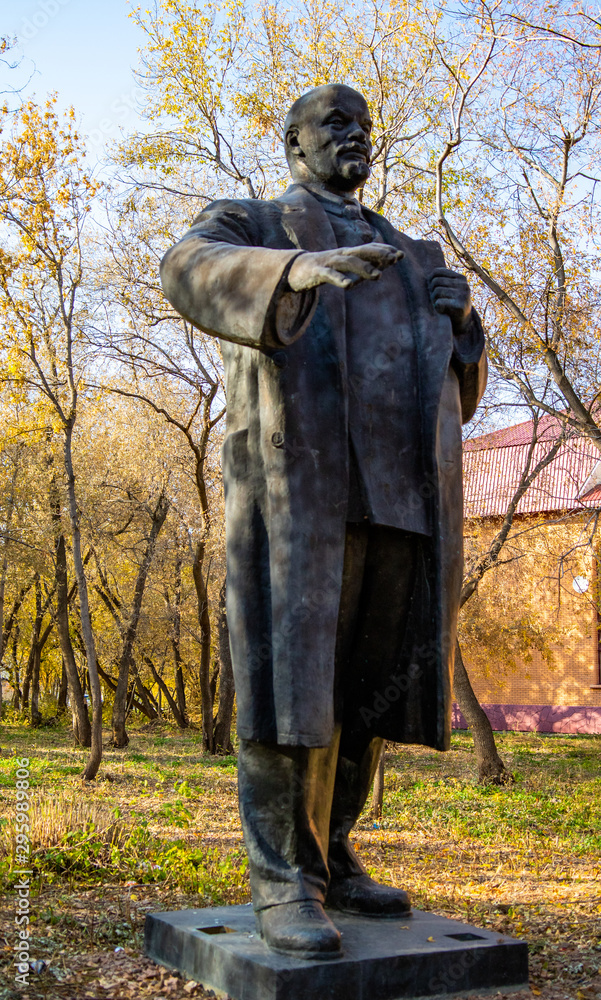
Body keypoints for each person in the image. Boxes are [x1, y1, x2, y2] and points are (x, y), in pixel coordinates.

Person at [160, 83, 487, 961]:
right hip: (303, 493)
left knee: (367, 689)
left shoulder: (413, 256)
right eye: (334, 124)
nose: (355, 137)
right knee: (288, 689)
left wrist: (465, 325)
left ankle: (334, 858)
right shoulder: (255, 223)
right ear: (293, 143)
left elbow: (457, 394)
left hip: (403, 497)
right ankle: (281, 882)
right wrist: (292, 272)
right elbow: (184, 267)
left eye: (364, 126)